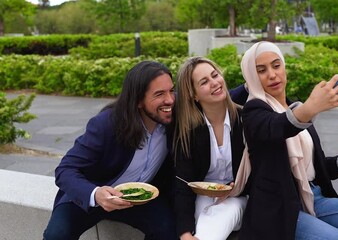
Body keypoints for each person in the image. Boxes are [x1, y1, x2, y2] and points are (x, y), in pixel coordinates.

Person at [238, 41, 338, 240]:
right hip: (283, 208)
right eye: (261, 70)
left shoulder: (293, 107)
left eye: (276, 65)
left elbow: (315, 166)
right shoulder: (254, 111)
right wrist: (311, 107)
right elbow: (278, 127)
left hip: (315, 197)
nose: (272, 74)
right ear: (252, 77)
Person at [43, 61, 178, 240]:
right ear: (138, 100)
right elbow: (65, 170)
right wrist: (96, 194)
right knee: (56, 235)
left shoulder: (173, 114)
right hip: (96, 193)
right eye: (159, 94)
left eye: (171, 90)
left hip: (141, 197)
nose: (170, 99)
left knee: (169, 231)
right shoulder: (106, 124)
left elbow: (213, 95)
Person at [173, 57, 251, 240]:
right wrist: (184, 234)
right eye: (204, 82)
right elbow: (182, 185)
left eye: (215, 75)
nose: (215, 83)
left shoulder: (244, 120)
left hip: (238, 196)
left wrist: (237, 189)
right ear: (194, 95)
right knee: (202, 217)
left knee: (225, 211)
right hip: (204, 196)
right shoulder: (188, 130)